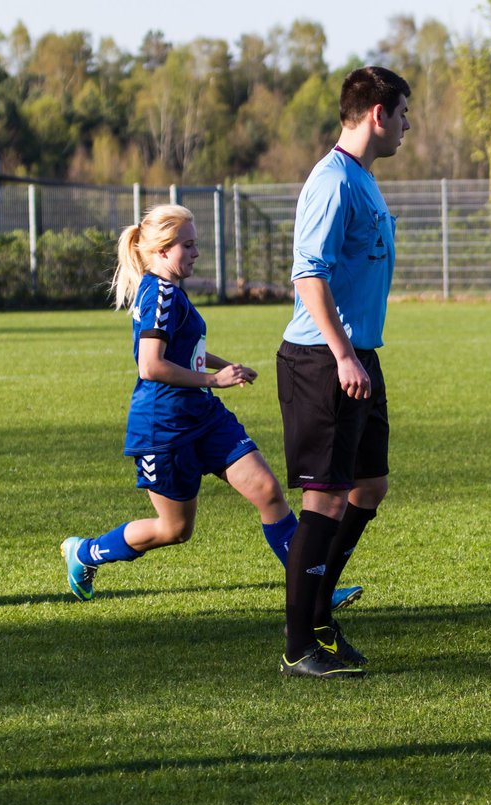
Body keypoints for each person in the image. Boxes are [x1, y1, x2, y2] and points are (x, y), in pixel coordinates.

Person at [60, 204, 299, 608]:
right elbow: (150, 365)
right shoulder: (159, 294)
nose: (195, 253)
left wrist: (225, 367)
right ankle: (84, 553)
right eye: (187, 245)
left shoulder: (172, 292)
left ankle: (313, 595)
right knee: (174, 529)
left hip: (204, 416)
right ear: (161, 250)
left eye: (195, 245)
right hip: (165, 427)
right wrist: (214, 379)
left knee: (268, 491)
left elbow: (185, 351)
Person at [277, 66, 411, 678]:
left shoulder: (363, 177)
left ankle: (322, 612)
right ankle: (300, 644)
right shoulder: (332, 182)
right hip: (323, 360)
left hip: (359, 357)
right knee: (325, 498)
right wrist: (342, 354)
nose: (408, 127)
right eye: (403, 114)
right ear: (378, 115)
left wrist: (358, 355)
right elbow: (309, 276)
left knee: (368, 487)